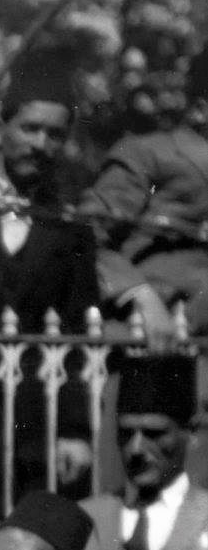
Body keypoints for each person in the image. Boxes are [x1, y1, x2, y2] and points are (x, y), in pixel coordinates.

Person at [0, 57, 101, 508]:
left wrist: (73, 430)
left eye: (55, 135)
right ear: (0, 126)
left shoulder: (70, 228)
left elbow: (75, 333)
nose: (41, 144)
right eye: (30, 128)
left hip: (32, 419)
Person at [68, 353, 208, 550]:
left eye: (154, 434)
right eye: (126, 433)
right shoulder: (85, 520)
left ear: (192, 434)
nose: (136, 449)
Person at [78, 50, 208, 347]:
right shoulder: (147, 153)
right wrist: (138, 294)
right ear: (201, 109)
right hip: (151, 340)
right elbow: (88, 232)